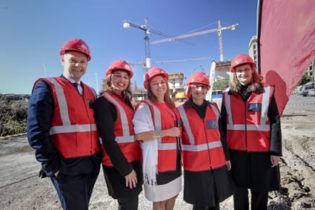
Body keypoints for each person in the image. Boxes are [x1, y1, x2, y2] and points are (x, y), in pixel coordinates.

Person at [27, 38, 101, 210]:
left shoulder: (91, 91)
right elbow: (36, 132)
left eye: (82, 61)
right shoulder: (47, 86)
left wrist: (97, 159)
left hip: (90, 164)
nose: (78, 65)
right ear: (62, 60)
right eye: (73, 60)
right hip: (65, 167)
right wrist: (52, 167)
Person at [219, 54, 282, 210]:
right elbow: (222, 126)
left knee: (260, 191)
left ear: (252, 70)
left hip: (261, 152)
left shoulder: (266, 92)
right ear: (234, 73)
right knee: (239, 192)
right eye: (239, 70)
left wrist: (275, 151)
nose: (243, 73)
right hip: (236, 153)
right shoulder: (227, 95)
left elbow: (275, 121)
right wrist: (225, 155)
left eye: (246, 69)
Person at [178, 72, 235, 210]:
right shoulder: (180, 111)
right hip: (196, 165)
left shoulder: (214, 108)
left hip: (217, 162)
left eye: (203, 87)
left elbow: (221, 134)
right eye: (196, 86)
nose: (200, 90)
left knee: (215, 200)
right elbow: (176, 140)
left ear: (207, 89)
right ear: (190, 88)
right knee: (200, 204)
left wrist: (226, 157)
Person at [92, 60, 143, 210]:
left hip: (132, 161)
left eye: (125, 77)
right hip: (119, 166)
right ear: (109, 78)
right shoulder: (104, 103)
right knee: (128, 204)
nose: (122, 80)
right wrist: (126, 170)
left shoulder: (125, 101)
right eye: (117, 76)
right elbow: (108, 141)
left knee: (131, 203)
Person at [133, 67, 182, 210]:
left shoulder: (170, 106)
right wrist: (167, 132)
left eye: (162, 82)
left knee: (173, 195)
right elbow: (139, 135)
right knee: (159, 201)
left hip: (174, 160)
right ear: (149, 87)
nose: (160, 86)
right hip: (157, 162)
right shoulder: (145, 107)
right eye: (155, 83)